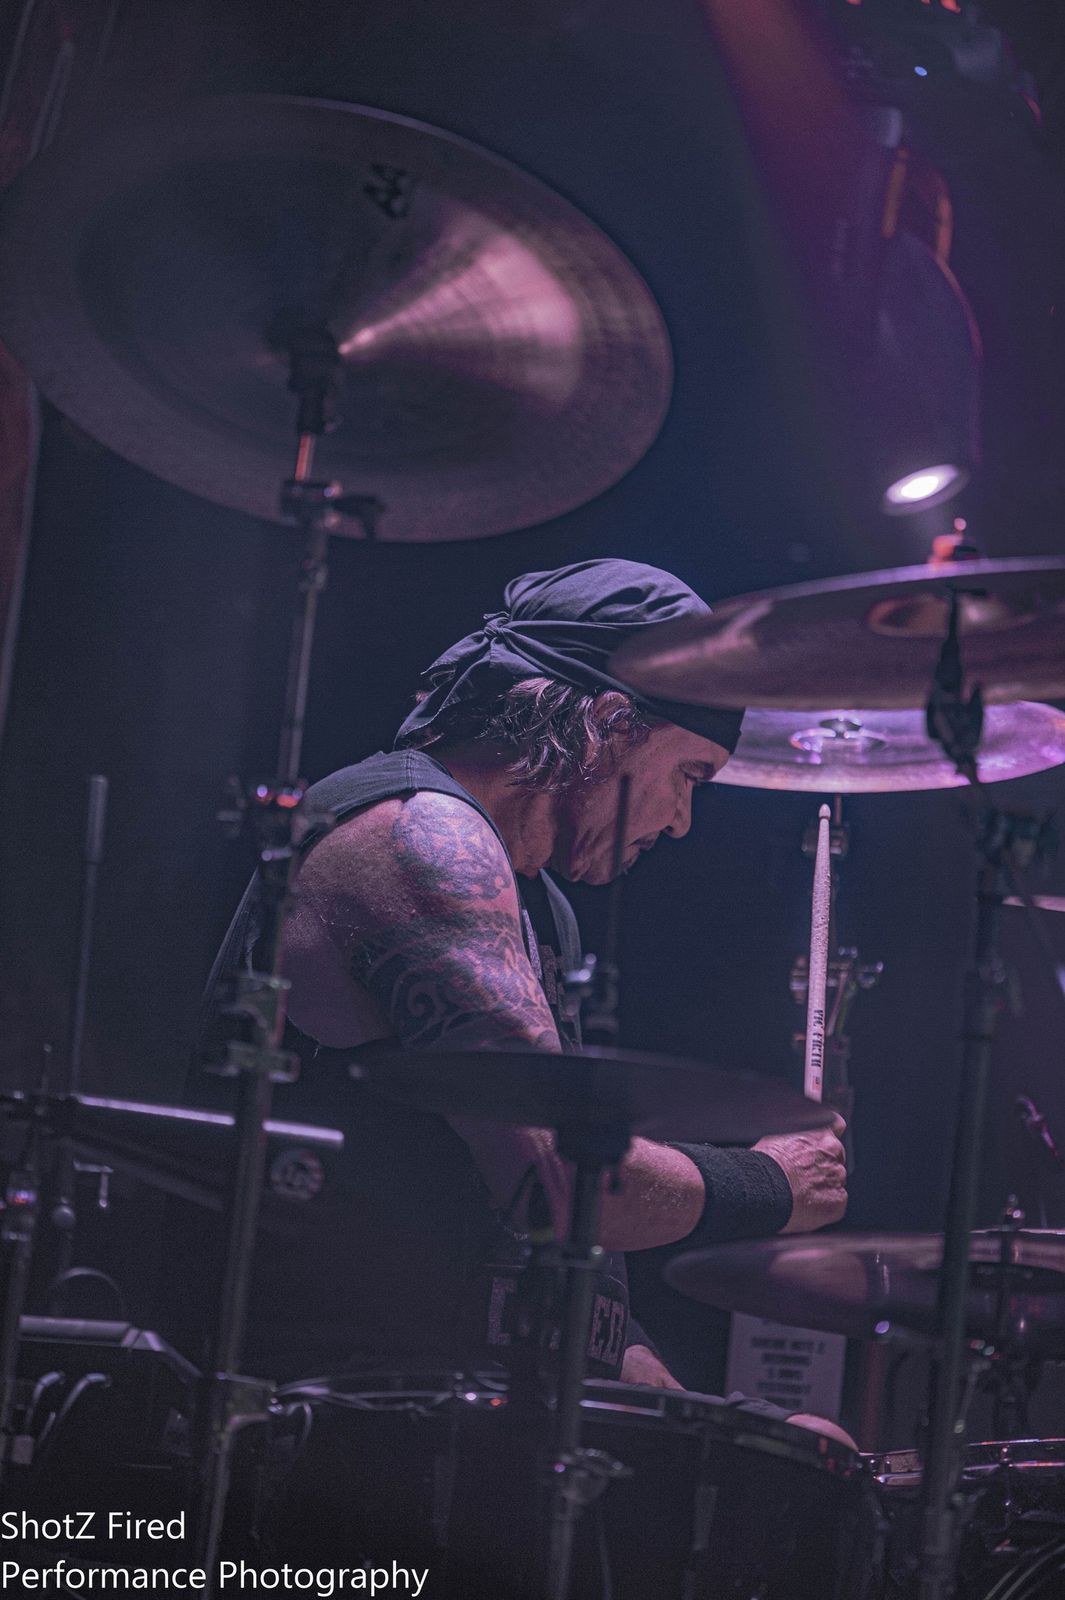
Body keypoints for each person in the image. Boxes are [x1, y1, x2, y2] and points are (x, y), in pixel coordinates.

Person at [200, 558, 848, 1438]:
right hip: (336, 1431)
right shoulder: (422, 836)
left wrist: (705, 1425)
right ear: (610, 725)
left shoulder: (535, 899)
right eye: (689, 776)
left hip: (459, 1421)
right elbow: (561, 1188)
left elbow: (537, 1267)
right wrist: (770, 1183)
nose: (681, 821)